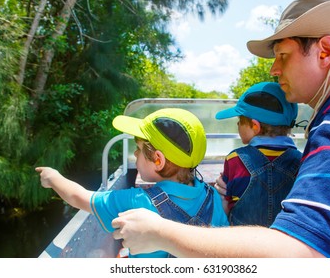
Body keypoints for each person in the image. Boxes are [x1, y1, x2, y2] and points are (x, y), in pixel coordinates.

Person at [111, 0, 330, 258]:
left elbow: (303, 255)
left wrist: (162, 232)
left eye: (283, 56)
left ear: (326, 52)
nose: (274, 69)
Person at [36, 108, 229, 258]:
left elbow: (78, 197)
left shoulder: (135, 201)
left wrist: (53, 178)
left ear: (158, 160)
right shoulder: (211, 196)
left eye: (138, 149)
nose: (135, 154)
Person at [213, 82, 301, 226]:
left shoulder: (235, 159)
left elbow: (226, 206)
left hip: (243, 243)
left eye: (240, 121)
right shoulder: (302, 161)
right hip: (285, 241)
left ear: (255, 126)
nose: (237, 125)